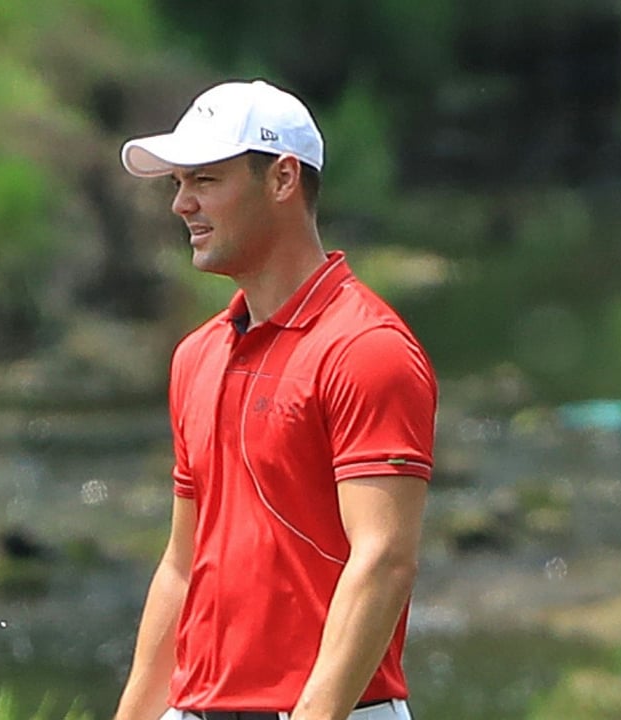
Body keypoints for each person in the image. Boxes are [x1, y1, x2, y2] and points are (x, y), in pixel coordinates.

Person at [113, 79, 437, 720]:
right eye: (178, 183)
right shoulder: (196, 356)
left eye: (205, 180)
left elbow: (385, 560)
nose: (181, 204)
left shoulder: (368, 349)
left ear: (284, 178)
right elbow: (182, 565)